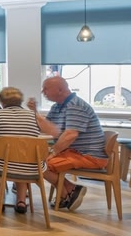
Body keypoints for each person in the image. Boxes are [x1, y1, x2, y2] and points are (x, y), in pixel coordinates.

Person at [27, 76, 107, 211]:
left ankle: (69, 191)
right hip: (73, 152)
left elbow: (71, 135)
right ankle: (69, 191)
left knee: (39, 165)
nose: (43, 92)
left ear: (60, 90)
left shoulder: (75, 105)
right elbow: (49, 129)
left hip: (88, 155)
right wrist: (35, 113)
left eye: (46, 89)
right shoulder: (58, 106)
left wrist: (52, 152)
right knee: (34, 161)